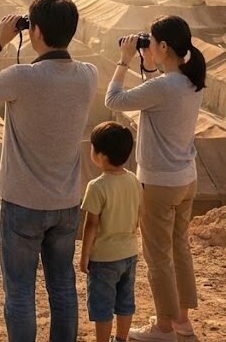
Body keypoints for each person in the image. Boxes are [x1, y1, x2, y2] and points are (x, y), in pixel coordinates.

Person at [0, 0, 97, 342]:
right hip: (66, 204)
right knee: (63, 290)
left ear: (34, 31)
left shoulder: (22, 77)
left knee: (21, 292)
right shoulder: (88, 75)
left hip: (22, 203)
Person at [105, 15, 206, 342]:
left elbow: (114, 101)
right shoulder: (191, 81)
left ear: (163, 46)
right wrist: (148, 64)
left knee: (158, 256)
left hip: (160, 183)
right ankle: (181, 322)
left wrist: (123, 61)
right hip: (186, 179)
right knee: (179, 248)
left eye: (151, 40)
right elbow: (156, 93)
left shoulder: (163, 87)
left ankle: (163, 328)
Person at [80, 122, 142, 342]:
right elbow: (137, 215)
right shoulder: (134, 180)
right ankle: (121, 339)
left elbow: (91, 224)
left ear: (101, 155)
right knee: (126, 301)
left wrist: (84, 254)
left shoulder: (96, 186)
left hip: (104, 257)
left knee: (102, 305)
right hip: (130, 253)